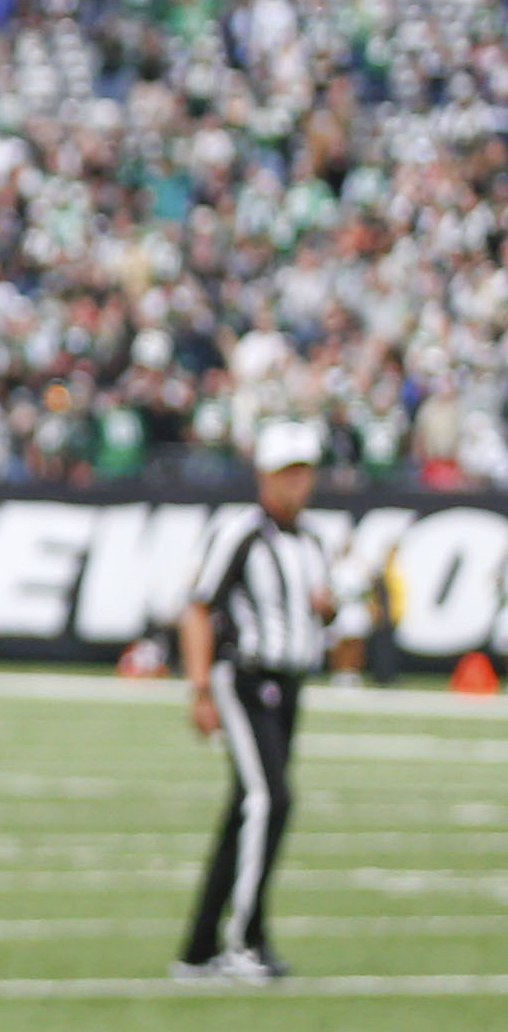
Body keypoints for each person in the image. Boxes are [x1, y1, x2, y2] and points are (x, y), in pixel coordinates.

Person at [175, 421, 336, 983]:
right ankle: (244, 939)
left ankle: (198, 947)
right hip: (243, 679)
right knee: (271, 801)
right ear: (266, 477)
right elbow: (197, 608)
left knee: (248, 806)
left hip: (290, 683)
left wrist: (328, 608)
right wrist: (199, 689)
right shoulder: (241, 532)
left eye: (306, 471)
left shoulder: (312, 540)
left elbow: (320, 610)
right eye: (290, 472)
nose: (300, 483)